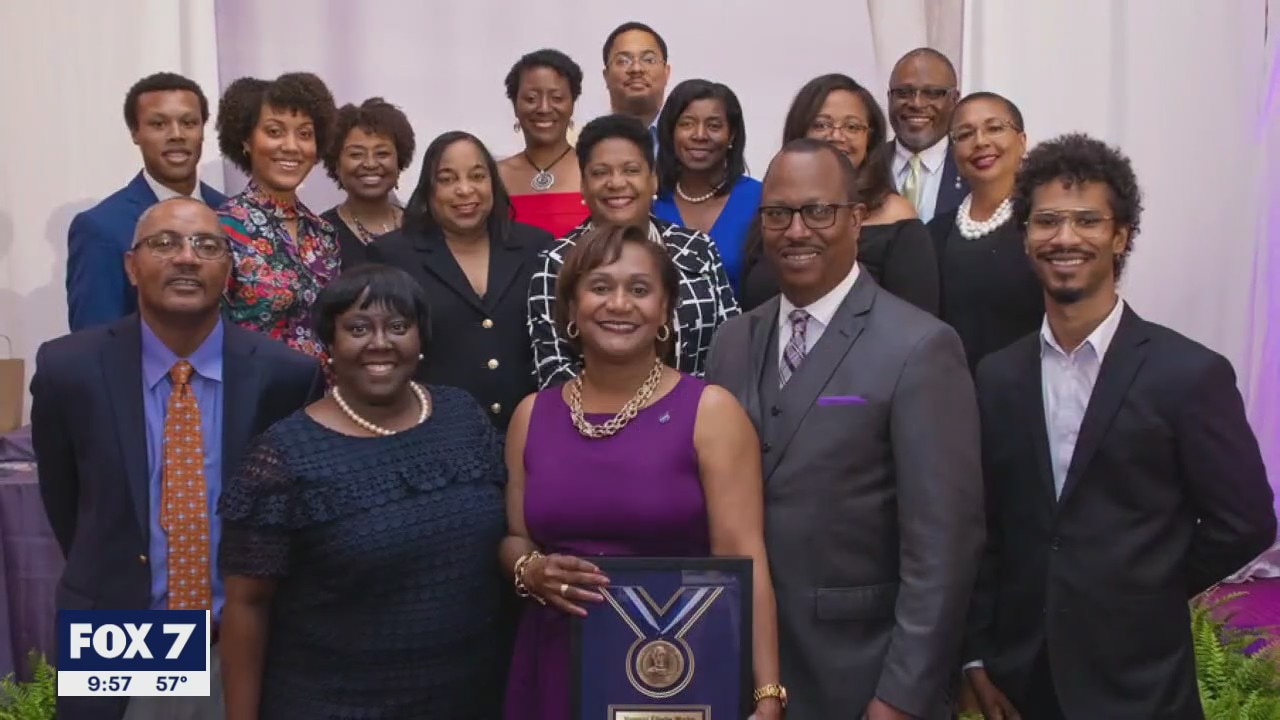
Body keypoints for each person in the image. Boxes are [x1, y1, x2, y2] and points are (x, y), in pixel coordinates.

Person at [964, 133, 1277, 720]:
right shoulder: (996, 376)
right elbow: (986, 526)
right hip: (1023, 680)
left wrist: (1149, 586)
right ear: (1026, 236)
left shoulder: (1188, 374)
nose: (1065, 238)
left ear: (1121, 236)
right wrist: (975, 654)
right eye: (1047, 221)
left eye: (1087, 220)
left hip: (1142, 682)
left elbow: (1247, 521)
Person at [705, 139, 984, 719]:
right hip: (742, 668)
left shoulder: (920, 347)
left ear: (856, 219)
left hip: (862, 675)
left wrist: (901, 695)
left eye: (818, 211)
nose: (795, 230)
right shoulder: (733, 341)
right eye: (778, 213)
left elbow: (944, 547)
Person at [31, 197, 319, 720]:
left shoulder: (286, 376)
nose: (186, 257)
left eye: (207, 245)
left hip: (242, 635)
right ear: (130, 265)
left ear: (228, 270)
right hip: (119, 631)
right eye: (164, 243)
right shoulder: (69, 369)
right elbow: (67, 504)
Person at [501, 224, 784, 720]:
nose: (619, 304)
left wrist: (766, 691)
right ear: (571, 309)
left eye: (639, 289)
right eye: (600, 287)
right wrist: (530, 570)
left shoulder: (710, 412)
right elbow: (516, 539)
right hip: (555, 666)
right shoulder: (531, 416)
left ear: (665, 311)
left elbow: (745, 557)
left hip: (677, 675)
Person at [218, 263, 510, 719]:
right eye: (358, 328)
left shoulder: (463, 417)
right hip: (335, 705)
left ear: (420, 337)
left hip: (470, 699)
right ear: (330, 344)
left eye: (398, 326)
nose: (379, 342)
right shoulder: (283, 457)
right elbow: (247, 605)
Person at [528, 114, 738, 388]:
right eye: (600, 173)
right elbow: (554, 370)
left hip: (700, 409)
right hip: (591, 413)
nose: (616, 183)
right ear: (583, 185)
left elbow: (730, 348)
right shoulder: (557, 262)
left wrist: (695, 406)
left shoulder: (697, 249)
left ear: (653, 180)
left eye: (631, 170)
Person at [369, 131, 554, 429]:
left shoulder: (537, 247)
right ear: (429, 189)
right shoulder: (392, 256)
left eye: (477, 176)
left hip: (530, 430)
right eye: (447, 179)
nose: (465, 190)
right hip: (433, 434)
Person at [742, 73, 938, 314]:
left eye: (852, 127)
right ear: (799, 133)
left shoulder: (897, 217)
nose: (836, 136)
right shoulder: (774, 210)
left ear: (870, 137)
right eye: (821, 125)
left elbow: (915, 322)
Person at [66, 72, 226, 331]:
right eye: (159, 124)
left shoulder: (230, 212)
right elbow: (95, 339)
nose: (177, 135)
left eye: (188, 123)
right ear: (135, 132)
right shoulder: (101, 227)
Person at [216, 72, 340, 358]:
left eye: (305, 134)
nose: (291, 146)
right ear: (246, 140)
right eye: (274, 132)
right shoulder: (223, 228)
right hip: (253, 383)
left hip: (323, 385)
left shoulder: (324, 233)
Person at [929, 92, 1043, 373]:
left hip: (1032, 386)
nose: (980, 141)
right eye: (965, 134)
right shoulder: (935, 233)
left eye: (994, 128)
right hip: (953, 387)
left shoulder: (1045, 224)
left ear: (1022, 142)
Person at [652, 79, 762, 297]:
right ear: (670, 132)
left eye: (714, 126)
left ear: (732, 135)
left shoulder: (760, 199)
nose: (700, 135)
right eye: (687, 124)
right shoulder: (651, 202)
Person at [498, 49, 591, 238]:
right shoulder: (494, 177)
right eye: (531, 98)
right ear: (515, 105)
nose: (544, 108)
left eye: (557, 98)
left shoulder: (594, 171)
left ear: (572, 104)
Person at [319, 97, 416, 268]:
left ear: (399, 161)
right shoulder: (319, 235)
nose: (370, 164)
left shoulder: (424, 228)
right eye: (356, 154)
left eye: (382, 154)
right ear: (336, 164)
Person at [887, 48, 967, 223]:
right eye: (903, 93)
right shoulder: (865, 166)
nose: (917, 104)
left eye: (932, 93)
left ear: (954, 100)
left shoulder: (973, 168)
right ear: (889, 98)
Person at [601, 21, 671, 152]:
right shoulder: (587, 143)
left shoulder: (685, 142)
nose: (636, 69)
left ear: (666, 72)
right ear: (606, 76)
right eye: (623, 61)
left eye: (649, 60)